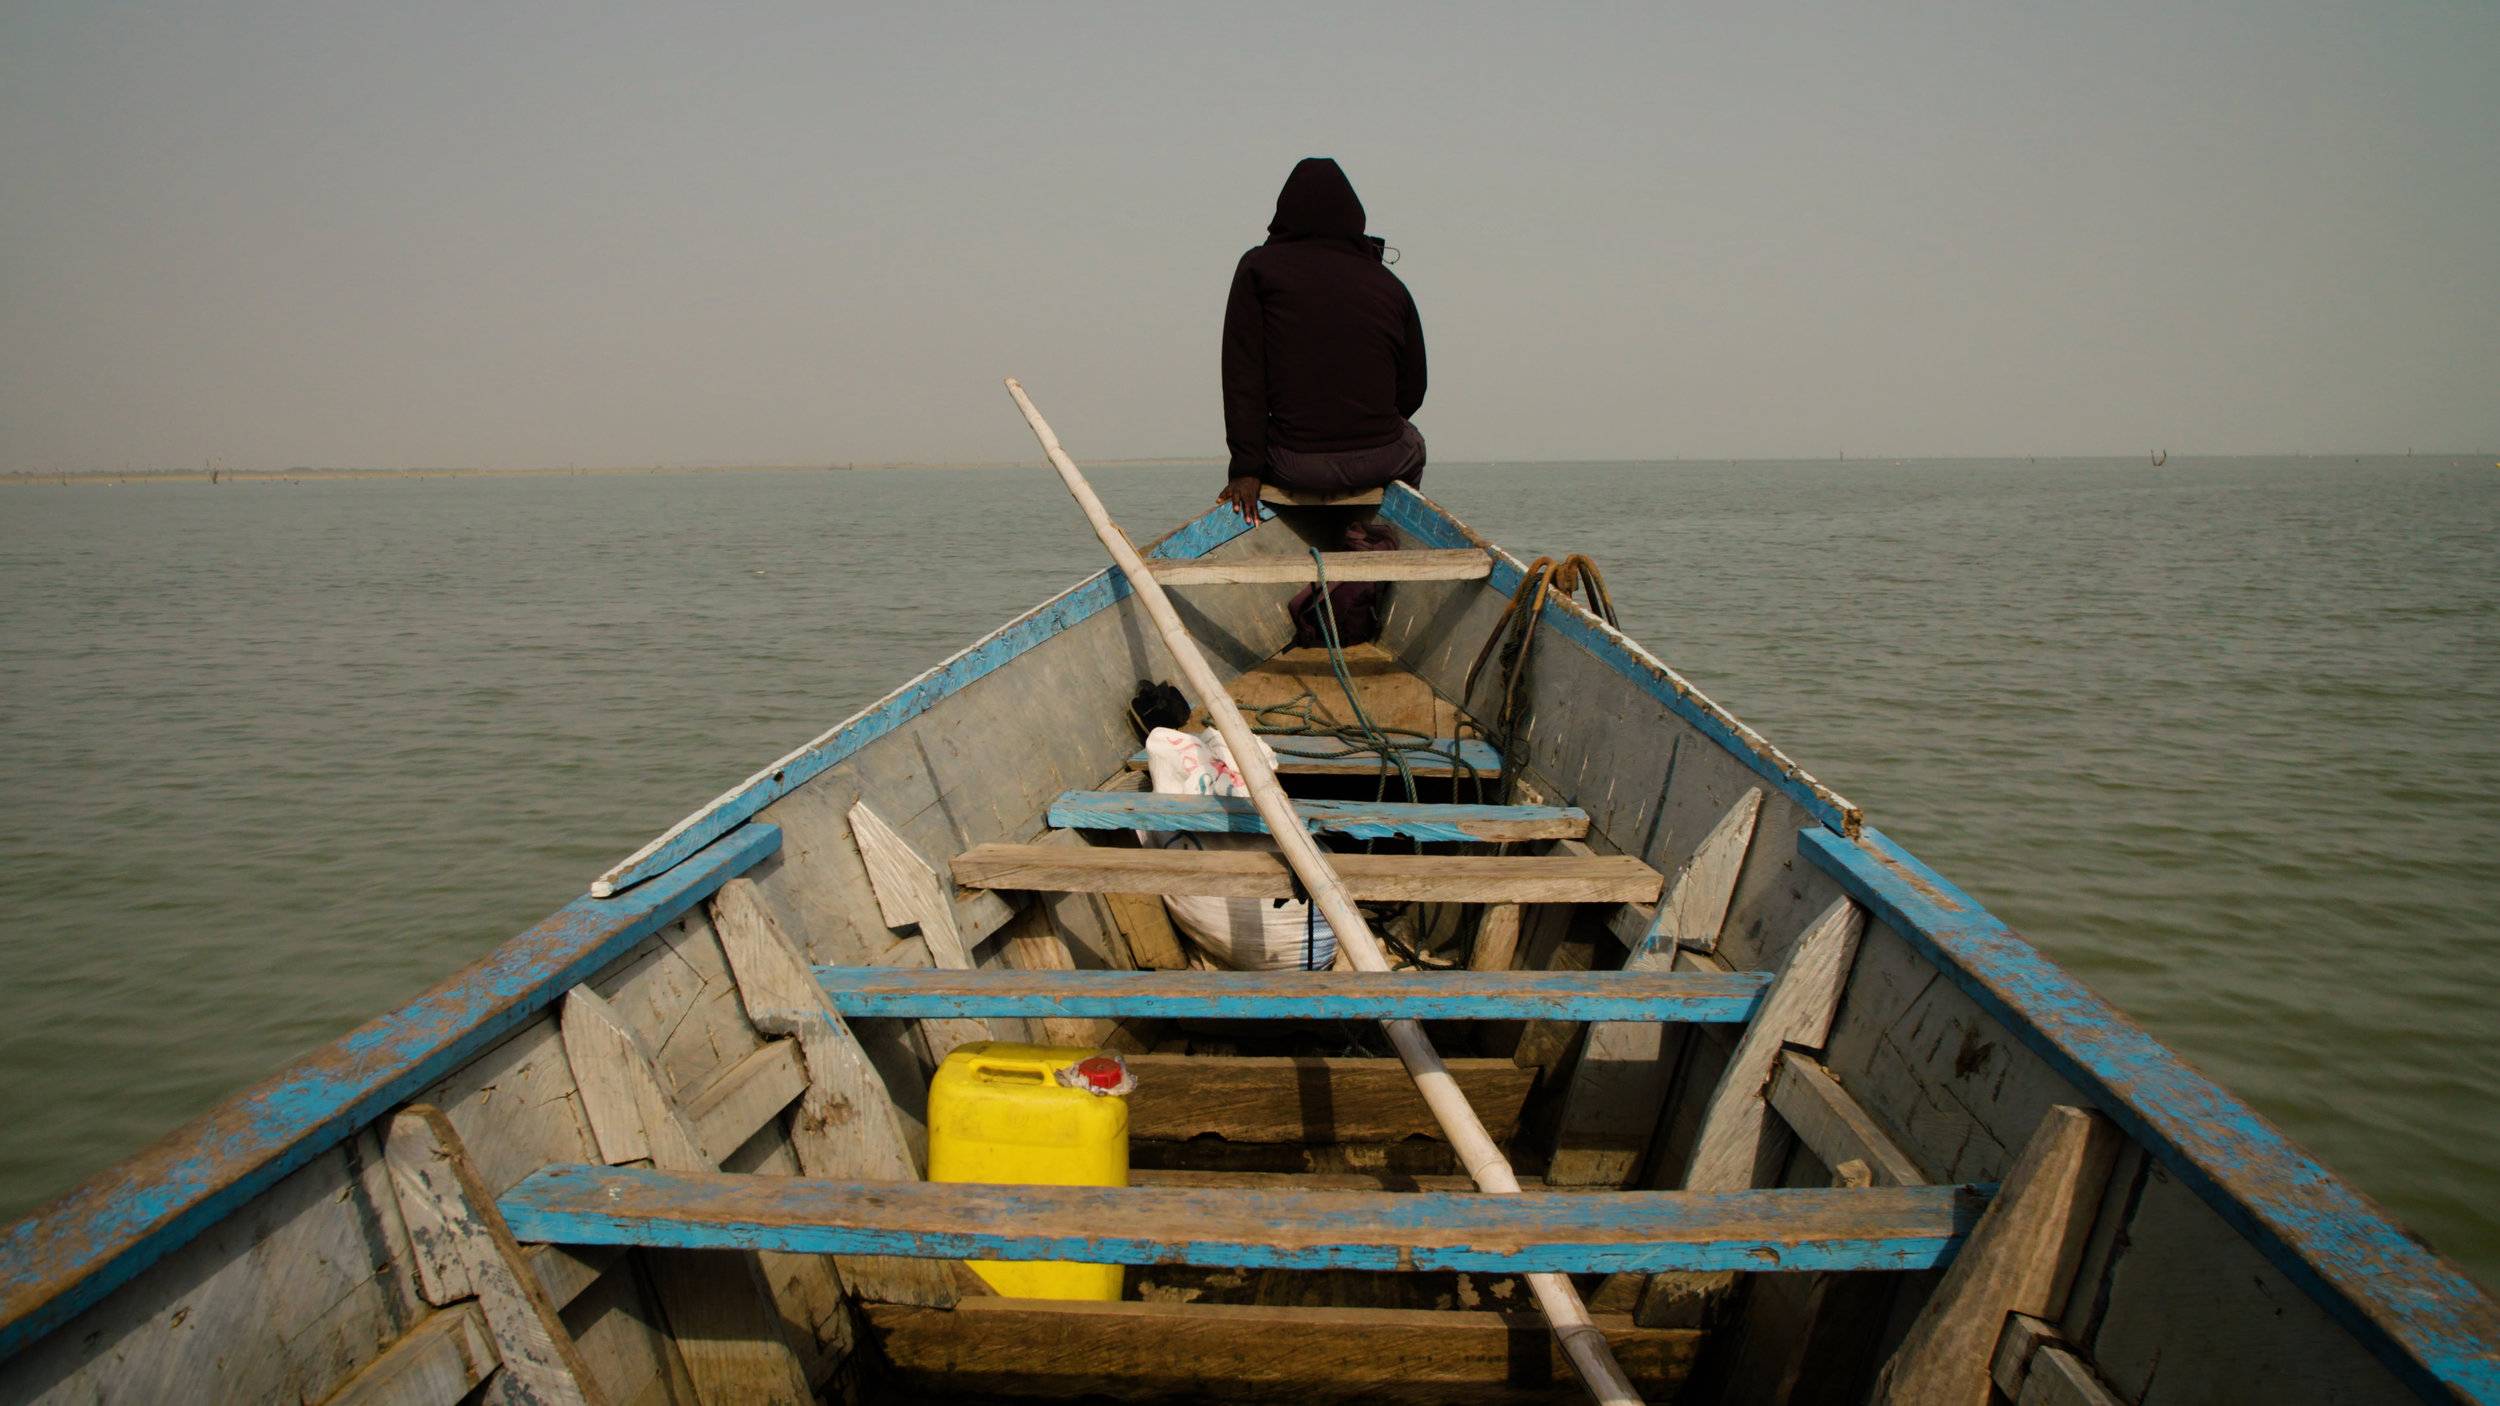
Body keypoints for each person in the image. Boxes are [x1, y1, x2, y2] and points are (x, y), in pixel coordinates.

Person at [1219, 158, 1427, 525]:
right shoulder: (1388, 284)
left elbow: (1243, 379)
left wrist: (1246, 470)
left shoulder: (1258, 269)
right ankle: (1375, 534)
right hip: (1383, 458)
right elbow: (1414, 387)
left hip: (1294, 465)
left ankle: (1321, 537)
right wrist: (1366, 433)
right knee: (1414, 443)